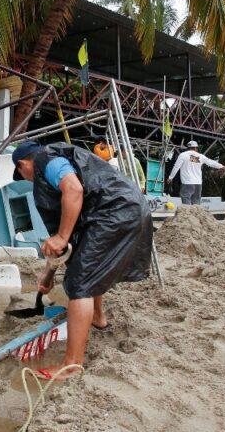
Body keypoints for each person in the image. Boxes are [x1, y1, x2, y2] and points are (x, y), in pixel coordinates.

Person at [11, 140, 152, 381]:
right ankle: (97, 317)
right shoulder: (57, 176)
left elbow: (73, 190)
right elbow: (64, 248)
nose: (27, 180)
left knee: (79, 284)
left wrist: (63, 235)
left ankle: (72, 365)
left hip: (114, 212)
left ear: (24, 164)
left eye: (22, 175)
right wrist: (47, 276)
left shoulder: (47, 159)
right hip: (126, 209)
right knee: (84, 268)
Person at [166, 140, 223, 205]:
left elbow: (176, 167)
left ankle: (188, 214)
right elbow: (211, 162)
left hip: (187, 183)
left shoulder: (183, 155)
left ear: (188, 148)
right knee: (196, 203)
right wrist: (221, 166)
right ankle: (195, 215)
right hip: (198, 184)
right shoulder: (199, 157)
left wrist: (170, 178)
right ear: (196, 148)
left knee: (186, 200)